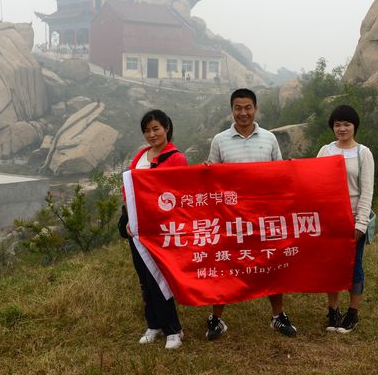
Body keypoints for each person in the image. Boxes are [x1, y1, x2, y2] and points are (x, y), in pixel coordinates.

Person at [204, 88, 297, 340]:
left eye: (248, 108)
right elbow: (211, 179)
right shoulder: (220, 140)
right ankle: (216, 320)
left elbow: (280, 175)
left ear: (255, 109)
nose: (243, 113)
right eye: (238, 108)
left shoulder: (268, 139)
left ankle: (278, 316)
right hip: (231, 218)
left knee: (271, 264)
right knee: (224, 265)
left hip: (263, 216)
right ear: (232, 109)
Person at [125, 109, 189, 349]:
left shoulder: (176, 158)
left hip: (160, 229)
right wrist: (130, 219)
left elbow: (178, 194)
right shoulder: (141, 155)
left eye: (156, 129)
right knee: (144, 278)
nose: (152, 134)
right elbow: (128, 189)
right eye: (147, 130)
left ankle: (174, 329)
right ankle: (154, 325)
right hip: (137, 229)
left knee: (160, 278)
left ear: (167, 128)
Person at [316, 105, 374, 333]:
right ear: (332, 127)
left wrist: (361, 223)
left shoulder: (363, 153)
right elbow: (315, 182)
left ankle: (353, 313)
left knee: (354, 267)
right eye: (337, 124)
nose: (342, 129)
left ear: (354, 127)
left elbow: (367, 190)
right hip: (330, 220)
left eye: (346, 124)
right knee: (332, 266)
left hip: (353, 219)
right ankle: (333, 311)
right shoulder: (325, 151)